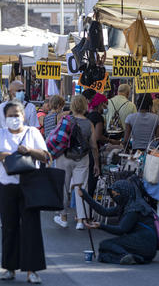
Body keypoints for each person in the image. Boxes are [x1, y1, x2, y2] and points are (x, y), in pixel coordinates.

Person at [0, 101, 49, 284]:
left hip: (30, 185)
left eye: (17, 115)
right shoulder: (0, 134)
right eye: (10, 115)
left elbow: (46, 156)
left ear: (24, 116)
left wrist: (29, 150)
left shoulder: (33, 133)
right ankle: (10, 267)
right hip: (7, 185)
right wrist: (7, 155)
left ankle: (32, 270)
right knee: (9, 226)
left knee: (32, 227)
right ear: (4, 118)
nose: (14, 119)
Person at [79, 177, 157, 265]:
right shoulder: (126, 204)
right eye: (113, 195)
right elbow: (104, 211)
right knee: (102, 255)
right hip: (140, 244)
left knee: (105, 245)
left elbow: (121, 229)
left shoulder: (134, 209)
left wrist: (100, 226)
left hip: (145, 245)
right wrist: (85, 196)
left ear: (124, 192)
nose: (115, 198)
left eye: (116, 195)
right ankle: (131, 258)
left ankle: (129, 256)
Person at [54, 95, 100, 230]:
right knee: (81, 188)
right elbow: (93, 145)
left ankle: (63, 217)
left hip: (64, 157)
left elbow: (58, 137)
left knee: (63, 186)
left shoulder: (65, 119)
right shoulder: (89, 123)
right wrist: (96, 163)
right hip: (82, 158)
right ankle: (81, 219)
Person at [87, 93, 119, 198]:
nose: (106, 107)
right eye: (105, 104)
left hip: (85, 152)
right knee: (92, 181)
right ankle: (89, 208)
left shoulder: (89, 114)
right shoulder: (98, 117)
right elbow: (97, 137)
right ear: (100, 104)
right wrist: (112, 141)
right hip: (93, 152)